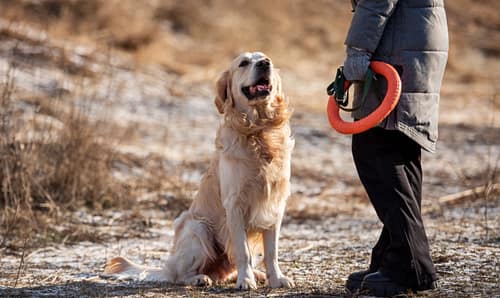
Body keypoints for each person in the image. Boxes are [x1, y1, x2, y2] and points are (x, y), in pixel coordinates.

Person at [341, 0, 449, 296]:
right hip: (414, 38)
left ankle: (409, 266)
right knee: (399, 149)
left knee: (376, 148)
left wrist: (357, 51)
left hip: (399, 44)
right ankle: (392, 258)